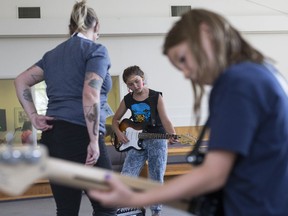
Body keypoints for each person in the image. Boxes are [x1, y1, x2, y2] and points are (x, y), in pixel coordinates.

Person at [88, 9, 288, 216]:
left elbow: (214, 173)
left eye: (183, 59)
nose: (185, 73)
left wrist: (137, 198)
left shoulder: (238, 82)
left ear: (205, 34)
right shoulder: (260, 70)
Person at [14, 1, 116, 215]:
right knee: (106, 206)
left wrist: (34, 117)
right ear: (96, 25)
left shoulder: (52, 55)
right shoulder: (96, 50)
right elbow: (90, 93)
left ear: (71, 27)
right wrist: (93, 140)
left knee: (67, 209)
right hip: (82, 134)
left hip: (53, 137)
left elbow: (21, 80)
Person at [111, 65, 177, 216]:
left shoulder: (156, 96)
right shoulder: (127, 99)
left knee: (155, 176)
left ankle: (156, 211)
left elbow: (166, 120)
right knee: (127, 174)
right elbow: (115, 120)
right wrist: (119, 134)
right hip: (135, 140)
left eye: (136, 81)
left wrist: (172, 134)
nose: (134, 86)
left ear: (143, 79)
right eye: (130, 84)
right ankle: (125, 207)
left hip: (157, 140)